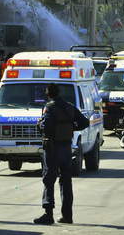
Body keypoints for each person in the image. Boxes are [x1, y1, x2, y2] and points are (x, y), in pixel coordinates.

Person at [34, 84, 90, 225]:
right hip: (66, 148)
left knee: (49, 180)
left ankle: (48, 214)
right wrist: (71, 127)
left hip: (52, 148)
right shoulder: (69, 107)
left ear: (48, 94)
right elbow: (85, 122)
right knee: (66, 181)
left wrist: (39, 124)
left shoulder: (49, 107)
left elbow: (46, 127)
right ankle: (67, 216)